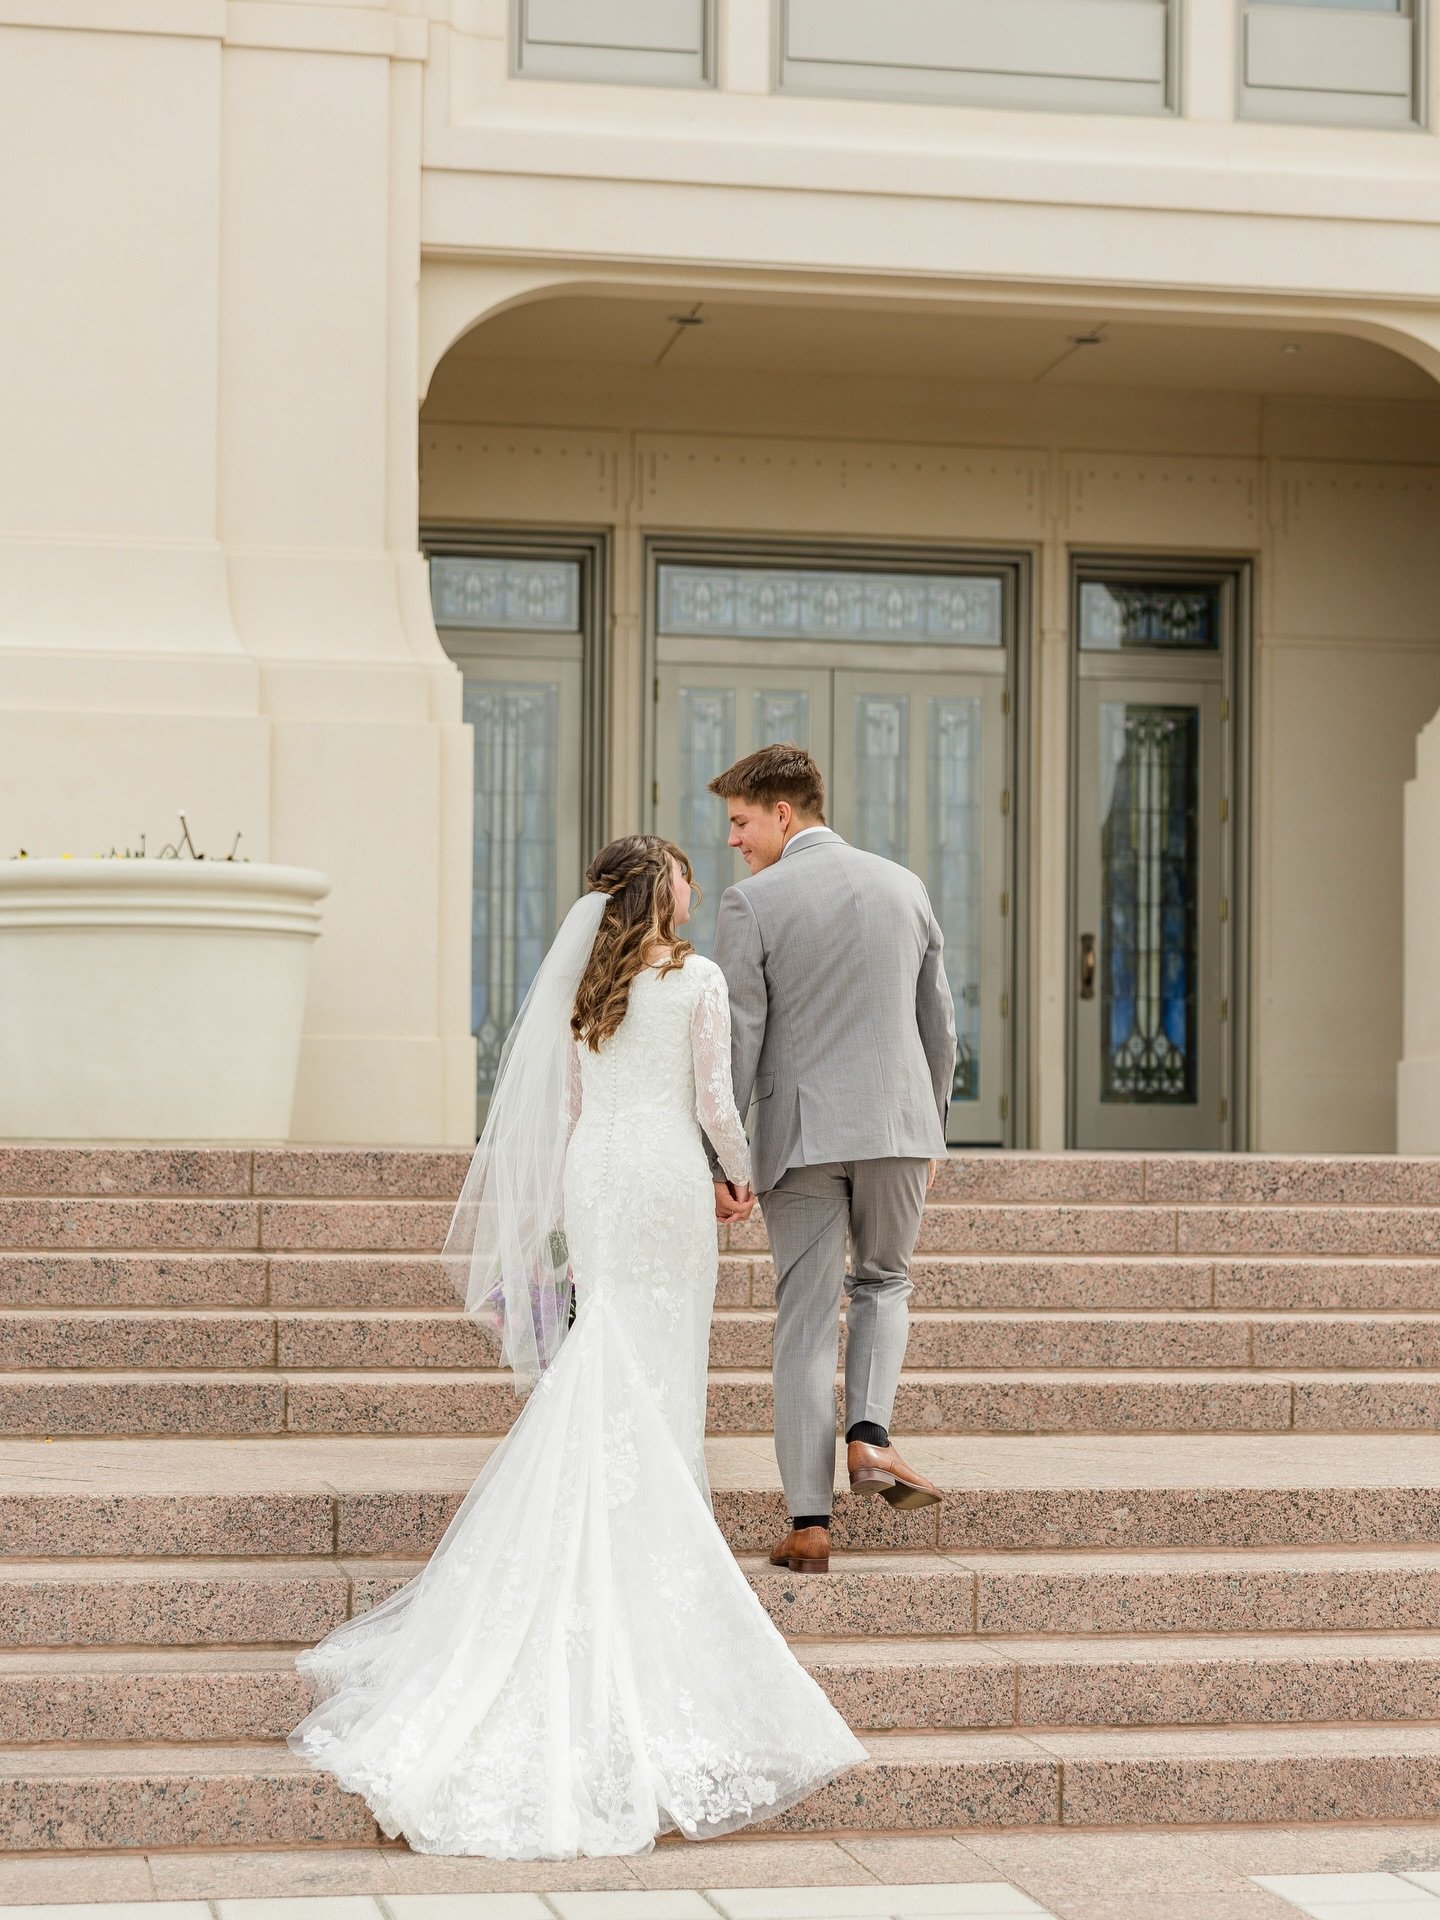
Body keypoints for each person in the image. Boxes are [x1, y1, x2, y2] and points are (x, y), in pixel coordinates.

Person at [288, 835, 864, 1859]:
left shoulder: (587, 989)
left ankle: (599, 1525)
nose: (698, 885)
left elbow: (563, 1113)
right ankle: (652, 1535)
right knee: (657, 1365)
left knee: (608, 1352)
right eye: (688, 872)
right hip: (664, 1186)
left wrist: (573, 1203)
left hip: (600, 1176)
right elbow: (716, 1103)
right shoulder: (695, 978)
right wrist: (739, 1176)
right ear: (664, 890)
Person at [707, 746, 957, 1578]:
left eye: (742, 822)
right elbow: (940, 1028)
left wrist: (725, 1156)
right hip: (897, 1128)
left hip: (802, 1138)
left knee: (805, 1325)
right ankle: (870, 1439)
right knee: (884, 1282)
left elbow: (740, 1039)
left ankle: (809, 1522)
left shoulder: (752, 903)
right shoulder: (905, 886)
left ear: (784, 813)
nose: (734, 842)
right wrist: (931, 1130)